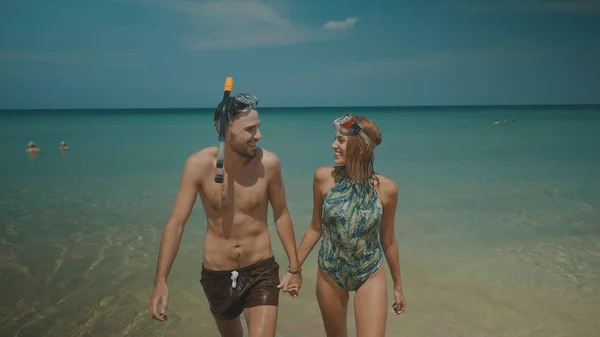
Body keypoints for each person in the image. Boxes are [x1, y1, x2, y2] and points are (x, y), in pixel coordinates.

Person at [148, 93, 303, 337]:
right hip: (217, 275)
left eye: (258, 128)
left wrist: (294, 267)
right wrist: (161, 280)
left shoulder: (269, 164)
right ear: (224, 129)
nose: (259, 136)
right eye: (250, 130)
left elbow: (281, 213)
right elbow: (176, 224)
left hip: (260, 270)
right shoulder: (198, 165)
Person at [292, 113, 407, 337]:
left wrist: (398, 287)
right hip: (330, 272)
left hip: (369, 273)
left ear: (361, 147)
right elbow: (316, 227)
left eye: (341, 141)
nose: (333, 145)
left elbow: (388, 240)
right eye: (335, 139)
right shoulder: (323, 178)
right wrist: (293, 269)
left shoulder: (387, 189)